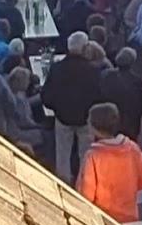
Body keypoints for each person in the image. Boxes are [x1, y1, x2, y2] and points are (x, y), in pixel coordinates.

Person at [41, 31, 103, 184]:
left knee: (62, 154)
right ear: (84, 48)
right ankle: (84, 185)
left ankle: (63, 185)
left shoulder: (57, 68)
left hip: (63, 118)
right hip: (85, 119)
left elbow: (46, 95)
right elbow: (99, 95)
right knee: (85, 155)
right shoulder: (93, 71)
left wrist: (56, 108)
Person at [77, 103, 142, 224]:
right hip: (131, 218)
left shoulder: (92, 156)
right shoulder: (132, 148)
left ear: (95, 127)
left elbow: (87, 195)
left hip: (103, 220)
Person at [99, 48, 142, 141]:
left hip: (110, 120)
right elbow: (141, 104)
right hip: (129, 123)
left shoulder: (106, 76)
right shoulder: (136, 81)